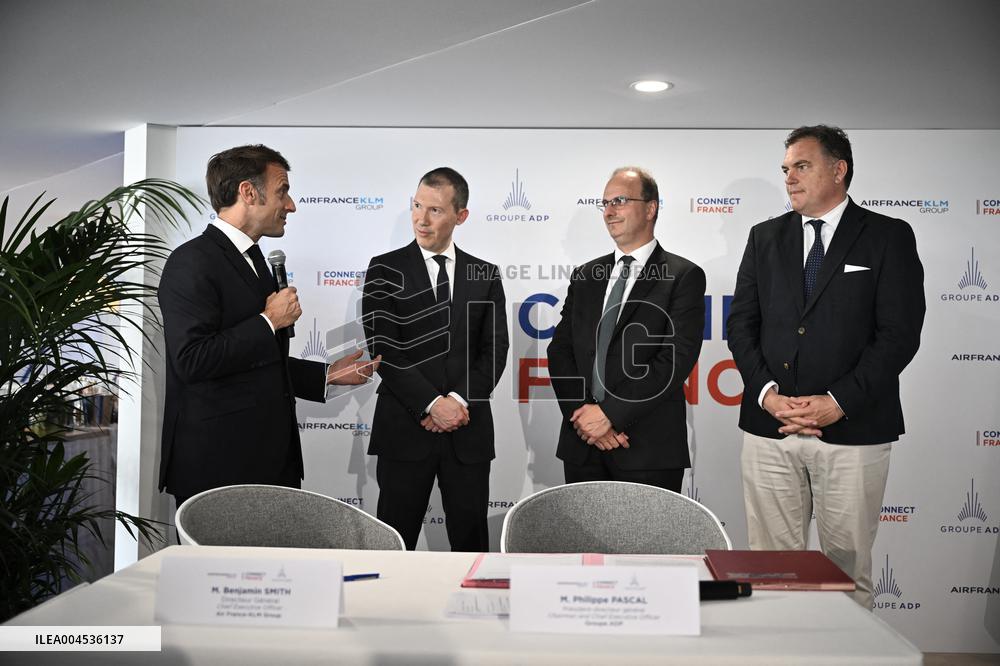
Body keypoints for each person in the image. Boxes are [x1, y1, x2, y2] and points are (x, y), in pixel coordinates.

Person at [727, 125, 925, 609]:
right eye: (786, 169)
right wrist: (768, 395)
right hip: (770, 426)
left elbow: (899, 334)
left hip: (854, 429)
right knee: (771, 572)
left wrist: (837, 403)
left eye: (802, 166)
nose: (790, 178)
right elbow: (741, 325)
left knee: (846, 572)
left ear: (839, 170)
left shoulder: (888, 236)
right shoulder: (764, 237)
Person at [158, 144, 378, 509]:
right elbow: (192, 360)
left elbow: (257, 363)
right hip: (218, 469)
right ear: (248, 192)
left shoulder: (256, 258)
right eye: (282, 191)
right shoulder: (191, 262)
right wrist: (268, 320)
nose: (290, 205)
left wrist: (328, 375)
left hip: (269, 463)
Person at [361, 167, 508, 551]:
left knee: (471, 542)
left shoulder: (485, 273)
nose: (420, 220)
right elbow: (384, 348)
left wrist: (455, 403)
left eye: (435, 211)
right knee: (393, 541)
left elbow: (495, 351)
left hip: (467, 428)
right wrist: (430, 404)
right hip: (406, 429)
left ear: (461, 216)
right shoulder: (384, 269)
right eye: (416, 206)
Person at [547, 167, 705, 492]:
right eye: (604, 203)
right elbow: (560, 351)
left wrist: (610, 416)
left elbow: (673, 361)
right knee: (582, 544)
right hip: (583, 447)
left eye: (619, 200)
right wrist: (584, 417)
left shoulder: (683, 276)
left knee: (648, 545)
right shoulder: (585, 276)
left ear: (651, 208)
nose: (608, 211)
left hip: (648, 450)